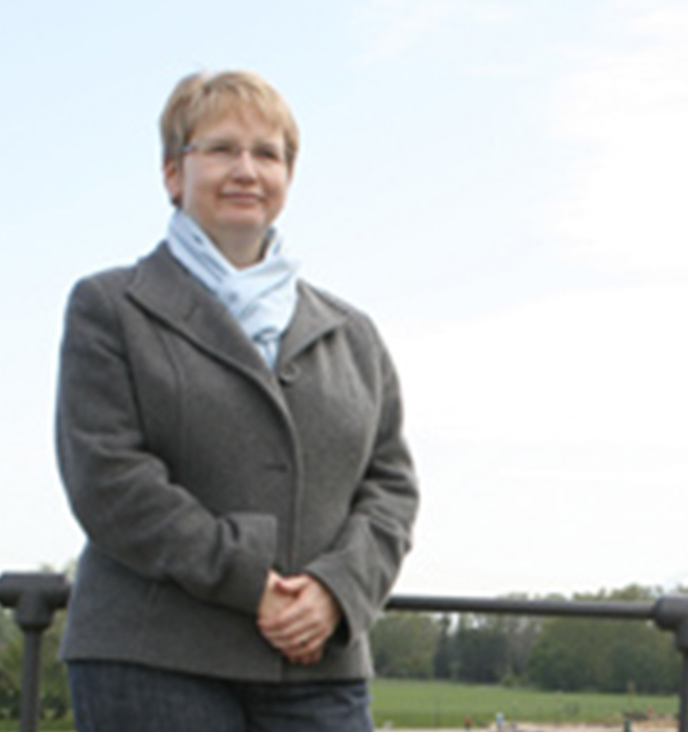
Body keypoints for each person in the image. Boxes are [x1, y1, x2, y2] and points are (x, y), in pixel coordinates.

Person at [55, 69, 419, 732]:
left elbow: (390, 488)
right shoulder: (110, 308)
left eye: (267, 153)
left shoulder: (353, 335)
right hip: (152, 661)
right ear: (173, 174)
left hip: (317, 667)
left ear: (287, 176)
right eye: (220, 149)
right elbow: (107, 478)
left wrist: (337, 592)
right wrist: (252, 580)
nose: (245, 169)